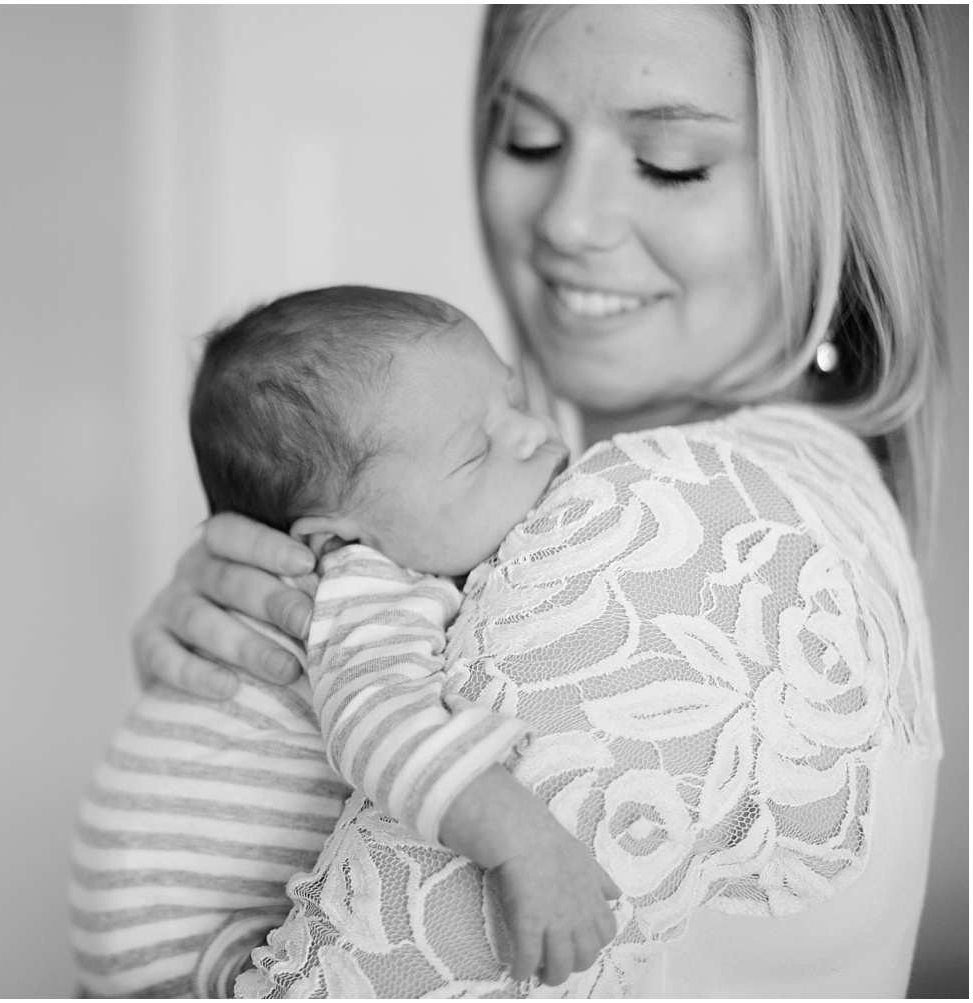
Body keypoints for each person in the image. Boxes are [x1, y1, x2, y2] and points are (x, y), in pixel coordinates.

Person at [134, 5, 948, 998]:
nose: (567, 218)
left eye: (671, 159)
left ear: (842, 190)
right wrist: (250, 703)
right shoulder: (790, 491)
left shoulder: (674, 524)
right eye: (531, 138)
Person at [71, 285, 619, 997]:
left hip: (138, 910)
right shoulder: (365, 582)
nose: (531, 432)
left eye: (511, 399)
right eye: (476, 452)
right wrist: (525, 842)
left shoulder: (354, 566)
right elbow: (379, 725)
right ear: (339, 537)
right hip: (193, 932)